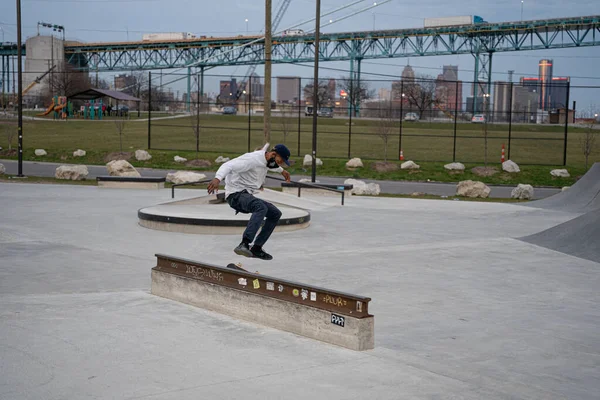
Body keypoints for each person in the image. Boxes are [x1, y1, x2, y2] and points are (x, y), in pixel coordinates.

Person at [207, 143, 292, 260]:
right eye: (280, 161)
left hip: (246, 195)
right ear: (273, 154)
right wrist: (217, 178)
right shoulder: (251, 160)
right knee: (260, 207)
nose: (279, 164)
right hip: (235, 195)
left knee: (275, 213)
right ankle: (244, 244)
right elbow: (228, 165)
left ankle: (256, 248)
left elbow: (272, 166)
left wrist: (282, 171)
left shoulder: (268, 161)